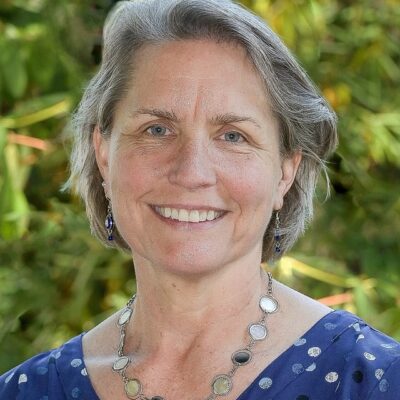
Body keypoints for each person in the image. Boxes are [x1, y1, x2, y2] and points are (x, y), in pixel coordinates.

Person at [1, 0, 399, 399]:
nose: (192, 173)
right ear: (104, 155)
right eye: (157, 130)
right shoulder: (25, 392)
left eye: (233, 136)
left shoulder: (376, 381)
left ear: (285, 172)